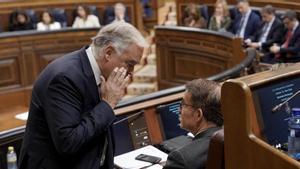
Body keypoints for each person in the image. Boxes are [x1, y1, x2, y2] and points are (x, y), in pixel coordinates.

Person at [18, 22, 148, 169]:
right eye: (130, 64)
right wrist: (107, 104)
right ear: (108, 53)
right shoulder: (64, 78)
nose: (131, 72)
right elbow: (68, 143)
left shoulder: (101, 76)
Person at [163, 79, 223, 169]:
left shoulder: (180, 160)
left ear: (198, 114)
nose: (179, 110)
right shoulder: (233, 139)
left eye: (183, 104)